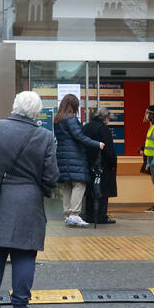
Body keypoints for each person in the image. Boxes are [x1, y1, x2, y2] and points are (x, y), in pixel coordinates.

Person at [0, 91, 58, 308]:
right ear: (36, 112)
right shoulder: (45, 136)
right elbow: (51, 177)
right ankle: (20, 307)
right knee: (24, 255)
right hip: (28, 202)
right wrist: (41, 190)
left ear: (14, 106)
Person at [54, 93, 104, 228]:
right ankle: (74, 215)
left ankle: (68, 215)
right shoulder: (70, 119)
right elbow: (79, 136)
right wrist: (97, 143)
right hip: (73, 155)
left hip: (63, 155)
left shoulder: (58, 119)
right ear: (73, 105)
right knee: (79, 183)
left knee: (68, 184)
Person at [81, 107, 117, 224]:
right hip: (102, 165)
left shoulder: (86, 127)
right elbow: (108, 150)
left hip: (88, 164)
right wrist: (113, 163)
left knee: (90, 191)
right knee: (102, 191)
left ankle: (90, 215)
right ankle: (101, 216)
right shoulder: (103, 128)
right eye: (108, 119)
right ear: (105, 118)